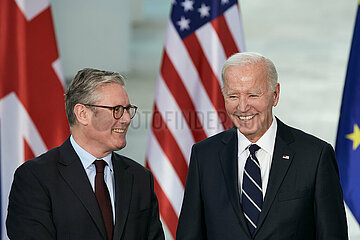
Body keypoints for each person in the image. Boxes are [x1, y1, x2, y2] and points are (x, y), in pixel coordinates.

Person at [176, 52, 348, 239]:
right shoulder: (204, 156)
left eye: (252, 95)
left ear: (275, 95)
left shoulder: (315, 157)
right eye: (233, 96)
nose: (242, 107)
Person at [6, 68, 165, 240]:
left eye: (127, 109)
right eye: (117, 110)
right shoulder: (36, 177)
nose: (126, 119)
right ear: (82, 114)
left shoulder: (140, 177)